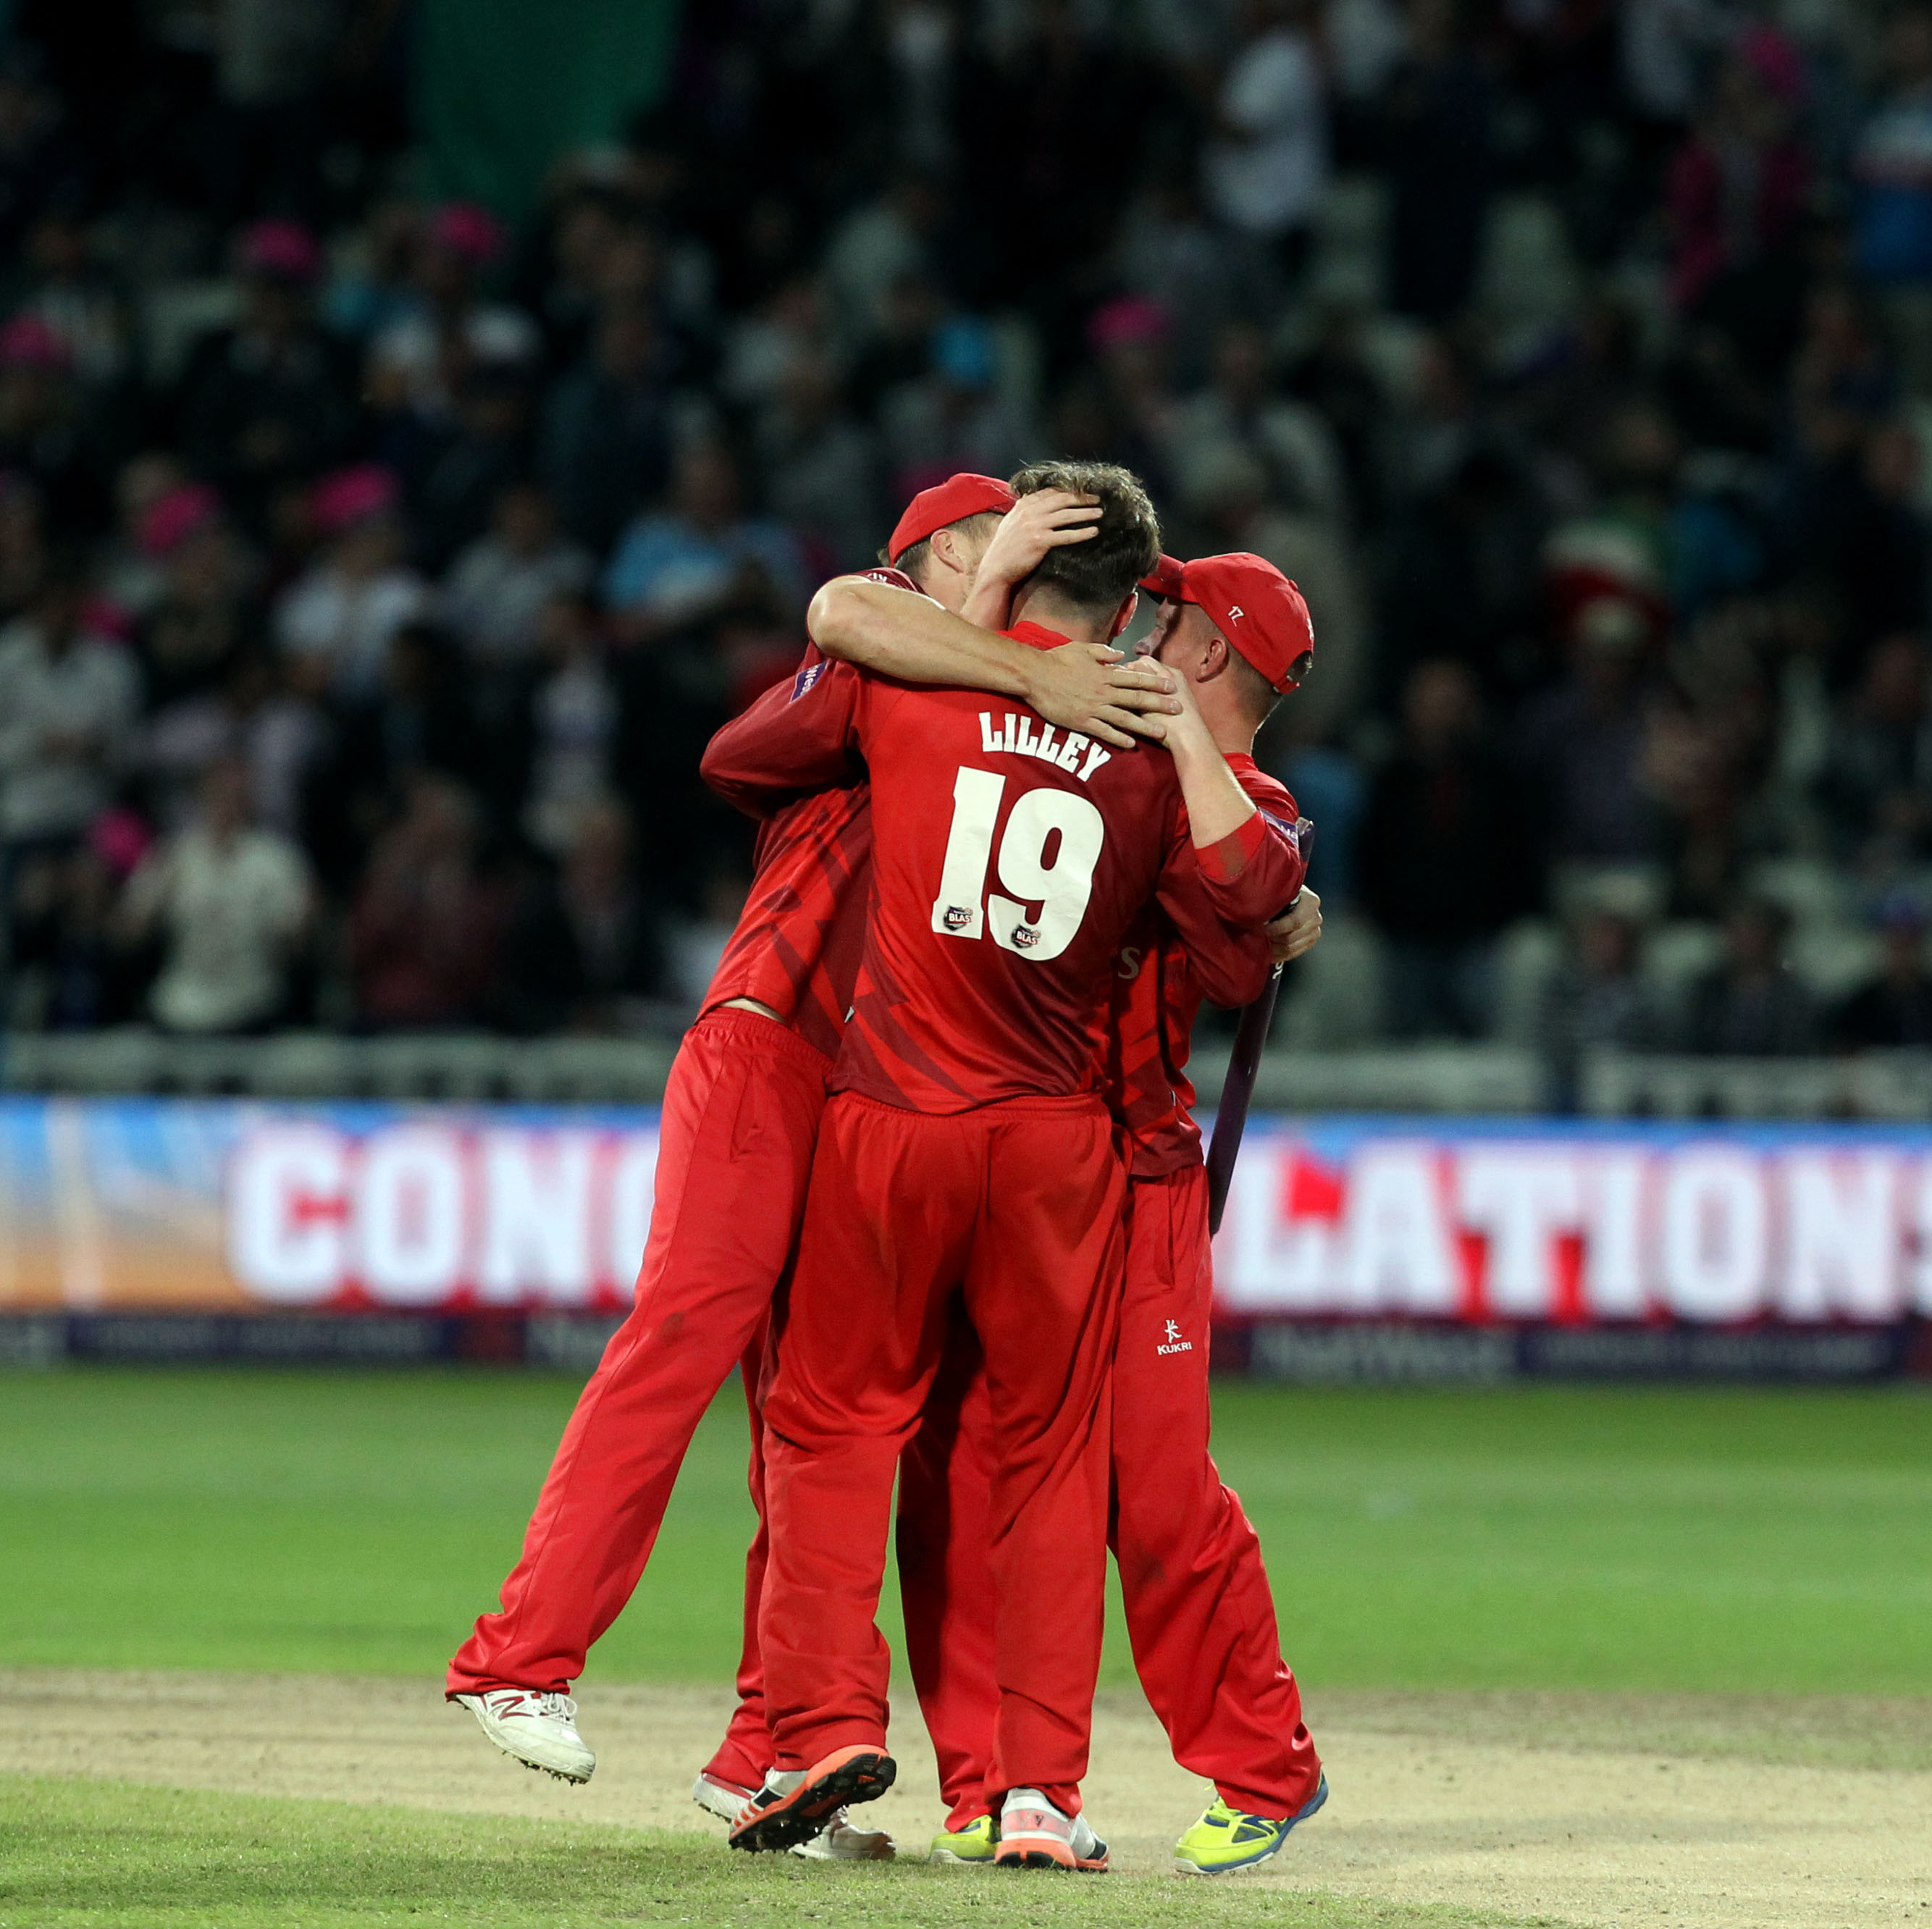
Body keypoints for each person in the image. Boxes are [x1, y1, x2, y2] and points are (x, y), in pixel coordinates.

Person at [442, 475, 1185, 1849]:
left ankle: (771, 1745)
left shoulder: (1007, 707)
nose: (1012, 577)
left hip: (879, 1099)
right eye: (989, 547)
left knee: (813, 1429)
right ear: (938, 560)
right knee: (690, 1330)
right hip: (771, 1040)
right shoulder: (883, 656)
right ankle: (519, 1656)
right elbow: (796, 672)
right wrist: (1013, 651)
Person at [715, 464, 1301, 1869]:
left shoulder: (913, 688)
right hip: (1058, 1150)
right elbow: (1243, 912)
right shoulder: (1156, 764)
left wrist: (984, 598)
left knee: (835, 1430)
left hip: (902, 1116)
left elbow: (821, 645)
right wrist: (1279, 904)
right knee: (1045, 1468)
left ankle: (816, 1730)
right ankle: (1033, 1792)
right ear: (1125, 605)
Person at [890, 550, 1328, 1875]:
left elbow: (1242, 918)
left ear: (1206, 655)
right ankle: (986, 1779)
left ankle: (1264, 1763)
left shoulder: (1238, 799)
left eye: (1163, 614)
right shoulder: (1095, 750)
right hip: (1016, 1159)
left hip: (1130, 1179)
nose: (1133, 624)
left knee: (1155, 1488)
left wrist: (1276, 902)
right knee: (964, 1464)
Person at [118, 754, 312, 1034]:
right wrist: (148, 911)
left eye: (237, 793)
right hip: (181, 1005)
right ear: (203, 794)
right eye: (220, 791)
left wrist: (299, 927)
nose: (228, 802)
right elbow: (129, 932)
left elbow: (295, 943)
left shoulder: (276, 861)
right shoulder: (174, 855)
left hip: (252, 1007)